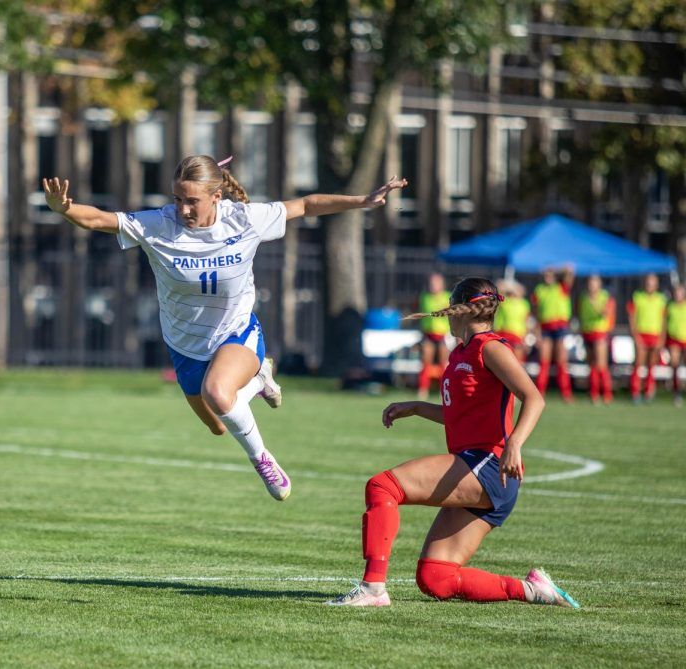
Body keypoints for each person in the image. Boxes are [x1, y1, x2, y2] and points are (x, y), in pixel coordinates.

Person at [42, 157, 407, 500]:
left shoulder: (244, 219)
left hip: (237, 333)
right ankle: (259, 380)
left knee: (218, 392)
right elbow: (98, 220)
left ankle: (263, 458)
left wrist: (363, 200)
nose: (183, 209)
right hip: (186, 346)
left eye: (192, 201)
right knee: (217, 424)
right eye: (177, 199)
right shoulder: (159, 224)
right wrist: (65, 209)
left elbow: (307, 205)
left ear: (217, 196)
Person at [327, 277, 579, 608]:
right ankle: (532, 589)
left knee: (382, 487)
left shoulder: (490, 347)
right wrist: (416, 408)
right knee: (436, 578)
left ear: (461, 310)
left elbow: (533, 398)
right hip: (481, 471)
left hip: (487, 466)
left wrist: (515, 443)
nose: (445, 315)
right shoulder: (462, 352)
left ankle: (373, 588)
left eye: (450, 308)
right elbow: (461, 414)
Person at [531, 266, 575, 402]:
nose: (547, 277)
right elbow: (536, 313)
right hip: (545, 328)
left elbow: (570, 269)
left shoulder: (561, 287)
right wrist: (536, 332)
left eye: (550, 275)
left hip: (560, 328)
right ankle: (540, 392)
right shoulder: (539, 290)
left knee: (562, 361)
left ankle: (566, 393)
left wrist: (554, 268)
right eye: (545, 275)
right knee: (544, 361)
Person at [627, 273, 666, 403]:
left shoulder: (661, 299)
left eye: (652, 282)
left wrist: (662, 337)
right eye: (648, 282)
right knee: (638, 364)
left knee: (651, 365)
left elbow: (663, 320)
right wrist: (635, 336)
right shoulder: (637, 297)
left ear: (656, 284)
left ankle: (649, 391)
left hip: (655, 334)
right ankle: (635, 392)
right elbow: (632, 317)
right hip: (641, 334)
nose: (650, 285)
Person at [578, 274, 616, 405]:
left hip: (600, 332)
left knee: (601, 365)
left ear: (599, 284)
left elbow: (606, 313)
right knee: (592, 365)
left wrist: (596, 305)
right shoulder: (583, 296)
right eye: (590, 282)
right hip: (587, 332)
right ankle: (593, 393)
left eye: (594, 283)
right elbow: (580, 313)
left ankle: (607, 394)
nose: (591, 285)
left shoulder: (604, 296)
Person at [415, 274, 450, 400]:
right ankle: (423, 389)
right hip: (428, 334)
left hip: (443, 335)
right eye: (431, 283)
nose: (433, 286)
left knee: (443, 364)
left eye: (436, 283)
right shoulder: (424, 297)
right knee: (425, 362)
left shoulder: (447, 297)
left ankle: (444, 391)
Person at [492, 279, 529, 363]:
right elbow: (498, 289)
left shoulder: (524, 304)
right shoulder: (505, 301)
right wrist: (508, 286)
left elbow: (525, 321)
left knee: (517, 360)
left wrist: (525, 337)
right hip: (503, 333)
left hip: (517, 334)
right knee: (501, 359)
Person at [665, 284, 686, 407]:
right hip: (674, 340)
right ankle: (676, 393)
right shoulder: (670, 307)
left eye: (680, 293)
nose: (678, 295)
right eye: (676, 293)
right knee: (674, 365)